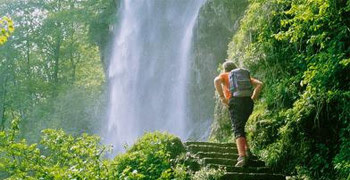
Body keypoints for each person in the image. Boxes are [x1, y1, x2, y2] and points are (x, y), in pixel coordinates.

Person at [214, 61, 263, 167]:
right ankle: (248, 151)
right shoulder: (242, 77)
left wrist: (222, 97)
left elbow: (216, 80)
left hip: (236, 102)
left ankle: (242, 157)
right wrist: (253, 98)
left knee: (238, 129)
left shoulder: (225, 75)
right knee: (241, 127)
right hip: (248, 103)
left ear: (225, 69)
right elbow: (259, 84)